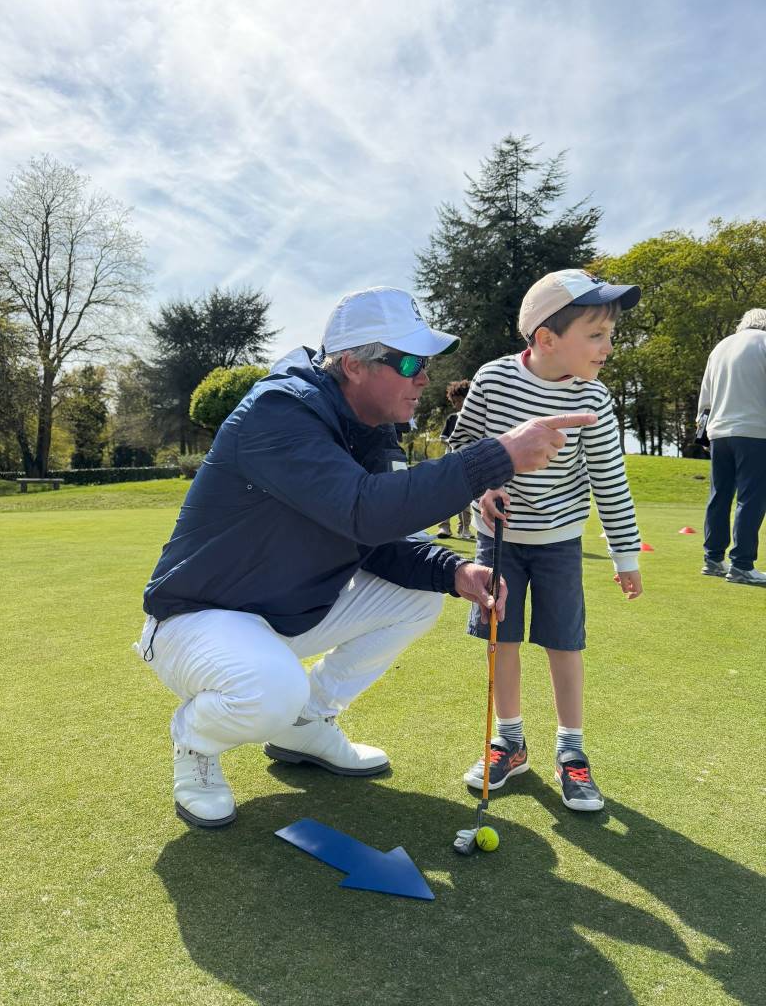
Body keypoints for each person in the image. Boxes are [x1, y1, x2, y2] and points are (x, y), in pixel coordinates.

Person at [135, 286, 597, 828]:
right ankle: (195, 743)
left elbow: (380, 539)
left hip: (281, 619)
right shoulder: (278, 413)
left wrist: (454, 570)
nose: (423, 376)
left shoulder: (373, 433)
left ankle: (306, 724)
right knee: (271, 689)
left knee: (421, 597)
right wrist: (496, 456)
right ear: (353, 365)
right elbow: (363, 511)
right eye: (408, 361)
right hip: (197, 622)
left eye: (426, 362)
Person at [449, 269, 643, 812]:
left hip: (560, 542)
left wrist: (625, 555)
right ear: (546, 338)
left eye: (610, 333)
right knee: (501, 638)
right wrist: (480, 492)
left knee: (564, 642)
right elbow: (465, 447)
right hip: (499, 540)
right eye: (596, 333)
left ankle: (571, 751)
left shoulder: (597, 401)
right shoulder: (491, 380)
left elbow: (609, 477)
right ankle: (508, 741)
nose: (608, 346)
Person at [698, 308, 766, 586]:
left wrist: (703, 432)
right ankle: (741, 564)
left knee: (720, 495)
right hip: (755, 430)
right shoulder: (764, 343)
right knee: (751, 498)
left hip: (719, 431)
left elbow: (706, 395)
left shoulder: (721, 346)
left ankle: (713, 559)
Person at [436, 379, 474, 540]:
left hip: (469, 463)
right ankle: (444, 528)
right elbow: (443, 437)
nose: (456, 404)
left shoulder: (475, 418)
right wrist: (454, 442)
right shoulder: (452, 418)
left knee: (466, 499)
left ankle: (464, 529)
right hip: (451, 462)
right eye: (454, 402)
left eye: (459, 401)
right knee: (446, 495)